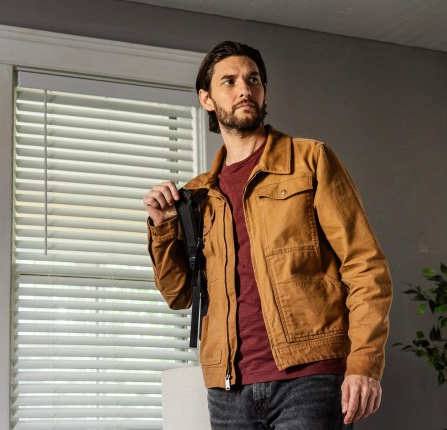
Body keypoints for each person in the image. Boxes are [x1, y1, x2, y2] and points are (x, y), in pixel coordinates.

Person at [143, 41, 392, 429]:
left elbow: (365, 266)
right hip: (228, 391)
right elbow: (179, 295)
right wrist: (162, 226)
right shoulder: (198, 195)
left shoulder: (310, 159)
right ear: (206, 99)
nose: (245, 89)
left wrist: (364, 364)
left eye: (253, 79)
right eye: (229, 81)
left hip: (309, 379)